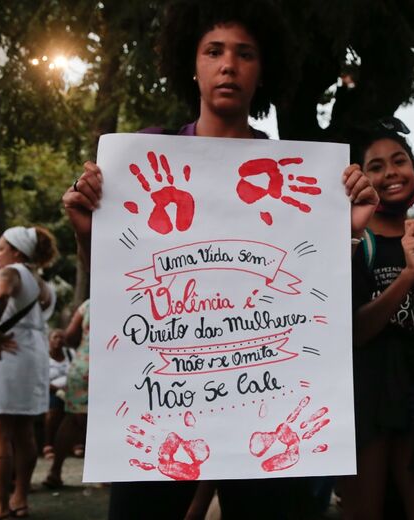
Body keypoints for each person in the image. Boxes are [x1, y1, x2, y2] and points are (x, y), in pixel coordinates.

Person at [61, 1, 378, 518]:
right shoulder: (141, 157)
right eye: (214, 51)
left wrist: (344, 233)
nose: (228, 64)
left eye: (244, 53)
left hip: (264, 402)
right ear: (193, 64)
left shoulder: (301, 177)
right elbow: (119, 288)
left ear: (262, 70)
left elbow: (316, 306)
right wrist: (85, 233)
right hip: (160, 399)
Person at [337, 119, 414, 519]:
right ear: (361, 180)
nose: (390, 173)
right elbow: (356, 330)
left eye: (399, 161)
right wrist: (408, 275)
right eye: (376, 166)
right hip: (365, 405)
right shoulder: (352, 243)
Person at [0, 226, 58, 519]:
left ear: (17, 252)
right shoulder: (42, 283)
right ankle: (19, 500)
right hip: (33, 353)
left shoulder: (10, 272)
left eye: (0, 248)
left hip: (9, 351)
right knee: (24, 432)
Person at [43, 301, 89, 489]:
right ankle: (107, 472)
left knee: (71, 419)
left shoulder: (88, 306)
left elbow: (69, 337)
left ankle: (55, 471)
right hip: (111, 369)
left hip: (83, 366)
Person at [42, 328, 72, 461]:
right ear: (49, 340)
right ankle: (48, 444)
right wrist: (58, 391)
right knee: (53, 412)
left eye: (61, 337)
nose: (59, 340)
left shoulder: (70, 354)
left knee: (79, 412)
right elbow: (41, 379)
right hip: (51, 391)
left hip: (72, 390)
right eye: (55, 337)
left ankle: (76, 443)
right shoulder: (44, 357)